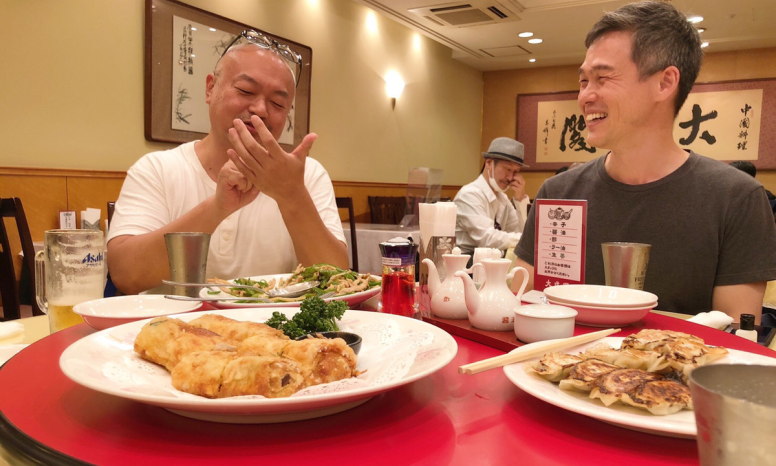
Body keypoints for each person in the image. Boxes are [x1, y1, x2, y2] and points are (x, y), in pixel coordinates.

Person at [513, 1, 776, 322]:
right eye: (583, 81)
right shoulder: (559, 193)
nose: (584, 96)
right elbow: (521, 304)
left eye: (603, 78)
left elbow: (734, 334)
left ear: (665, 83)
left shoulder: (737, 199)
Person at [108, 31, 348, 295]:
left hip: (275, 322)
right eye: (246, 91)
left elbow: (336, 284)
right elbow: (126, 275)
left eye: (278, 103)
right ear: (211, 88)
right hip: (171, 321)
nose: (260, 109)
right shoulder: (157, 169)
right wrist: (217, 207)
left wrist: (292, 195)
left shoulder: (307, 176)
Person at [454, 137, 529, 256]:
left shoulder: (502, 198)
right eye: (508, 169)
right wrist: (525, 238)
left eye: (515, 172)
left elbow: (521, 232)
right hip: (467, 262)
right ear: (488, 163)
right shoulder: (469, 194)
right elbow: (487, 239)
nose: (510, 177)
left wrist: (520, 200)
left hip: (494, 260)